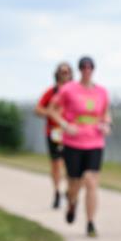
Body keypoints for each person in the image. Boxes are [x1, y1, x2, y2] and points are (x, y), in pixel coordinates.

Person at [47, 56, 111, 238]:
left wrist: (106, 124)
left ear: (94, 69)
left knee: (91, 181)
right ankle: (72, 202)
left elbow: (106, 113)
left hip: (95, 142)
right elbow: (52, 110)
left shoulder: (102, 92)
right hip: (73, 142)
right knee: (74, 182)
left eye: (90, 66)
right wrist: (65, 125)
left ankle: (90, 223)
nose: (86, 69)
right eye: (83, 67)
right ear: (80, 69)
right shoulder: (68, 90)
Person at [35, 62, 73, 209]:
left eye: (67, 72)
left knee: (71, 164)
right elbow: (38, 109)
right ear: (57, 74)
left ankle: (70, 190)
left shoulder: (75, 91)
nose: (65, 74)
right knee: (56, 164)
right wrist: (52, 114)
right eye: (62, 72)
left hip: (71, 132)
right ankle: (57, 192)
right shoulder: (51, 92)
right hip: (55, 132)